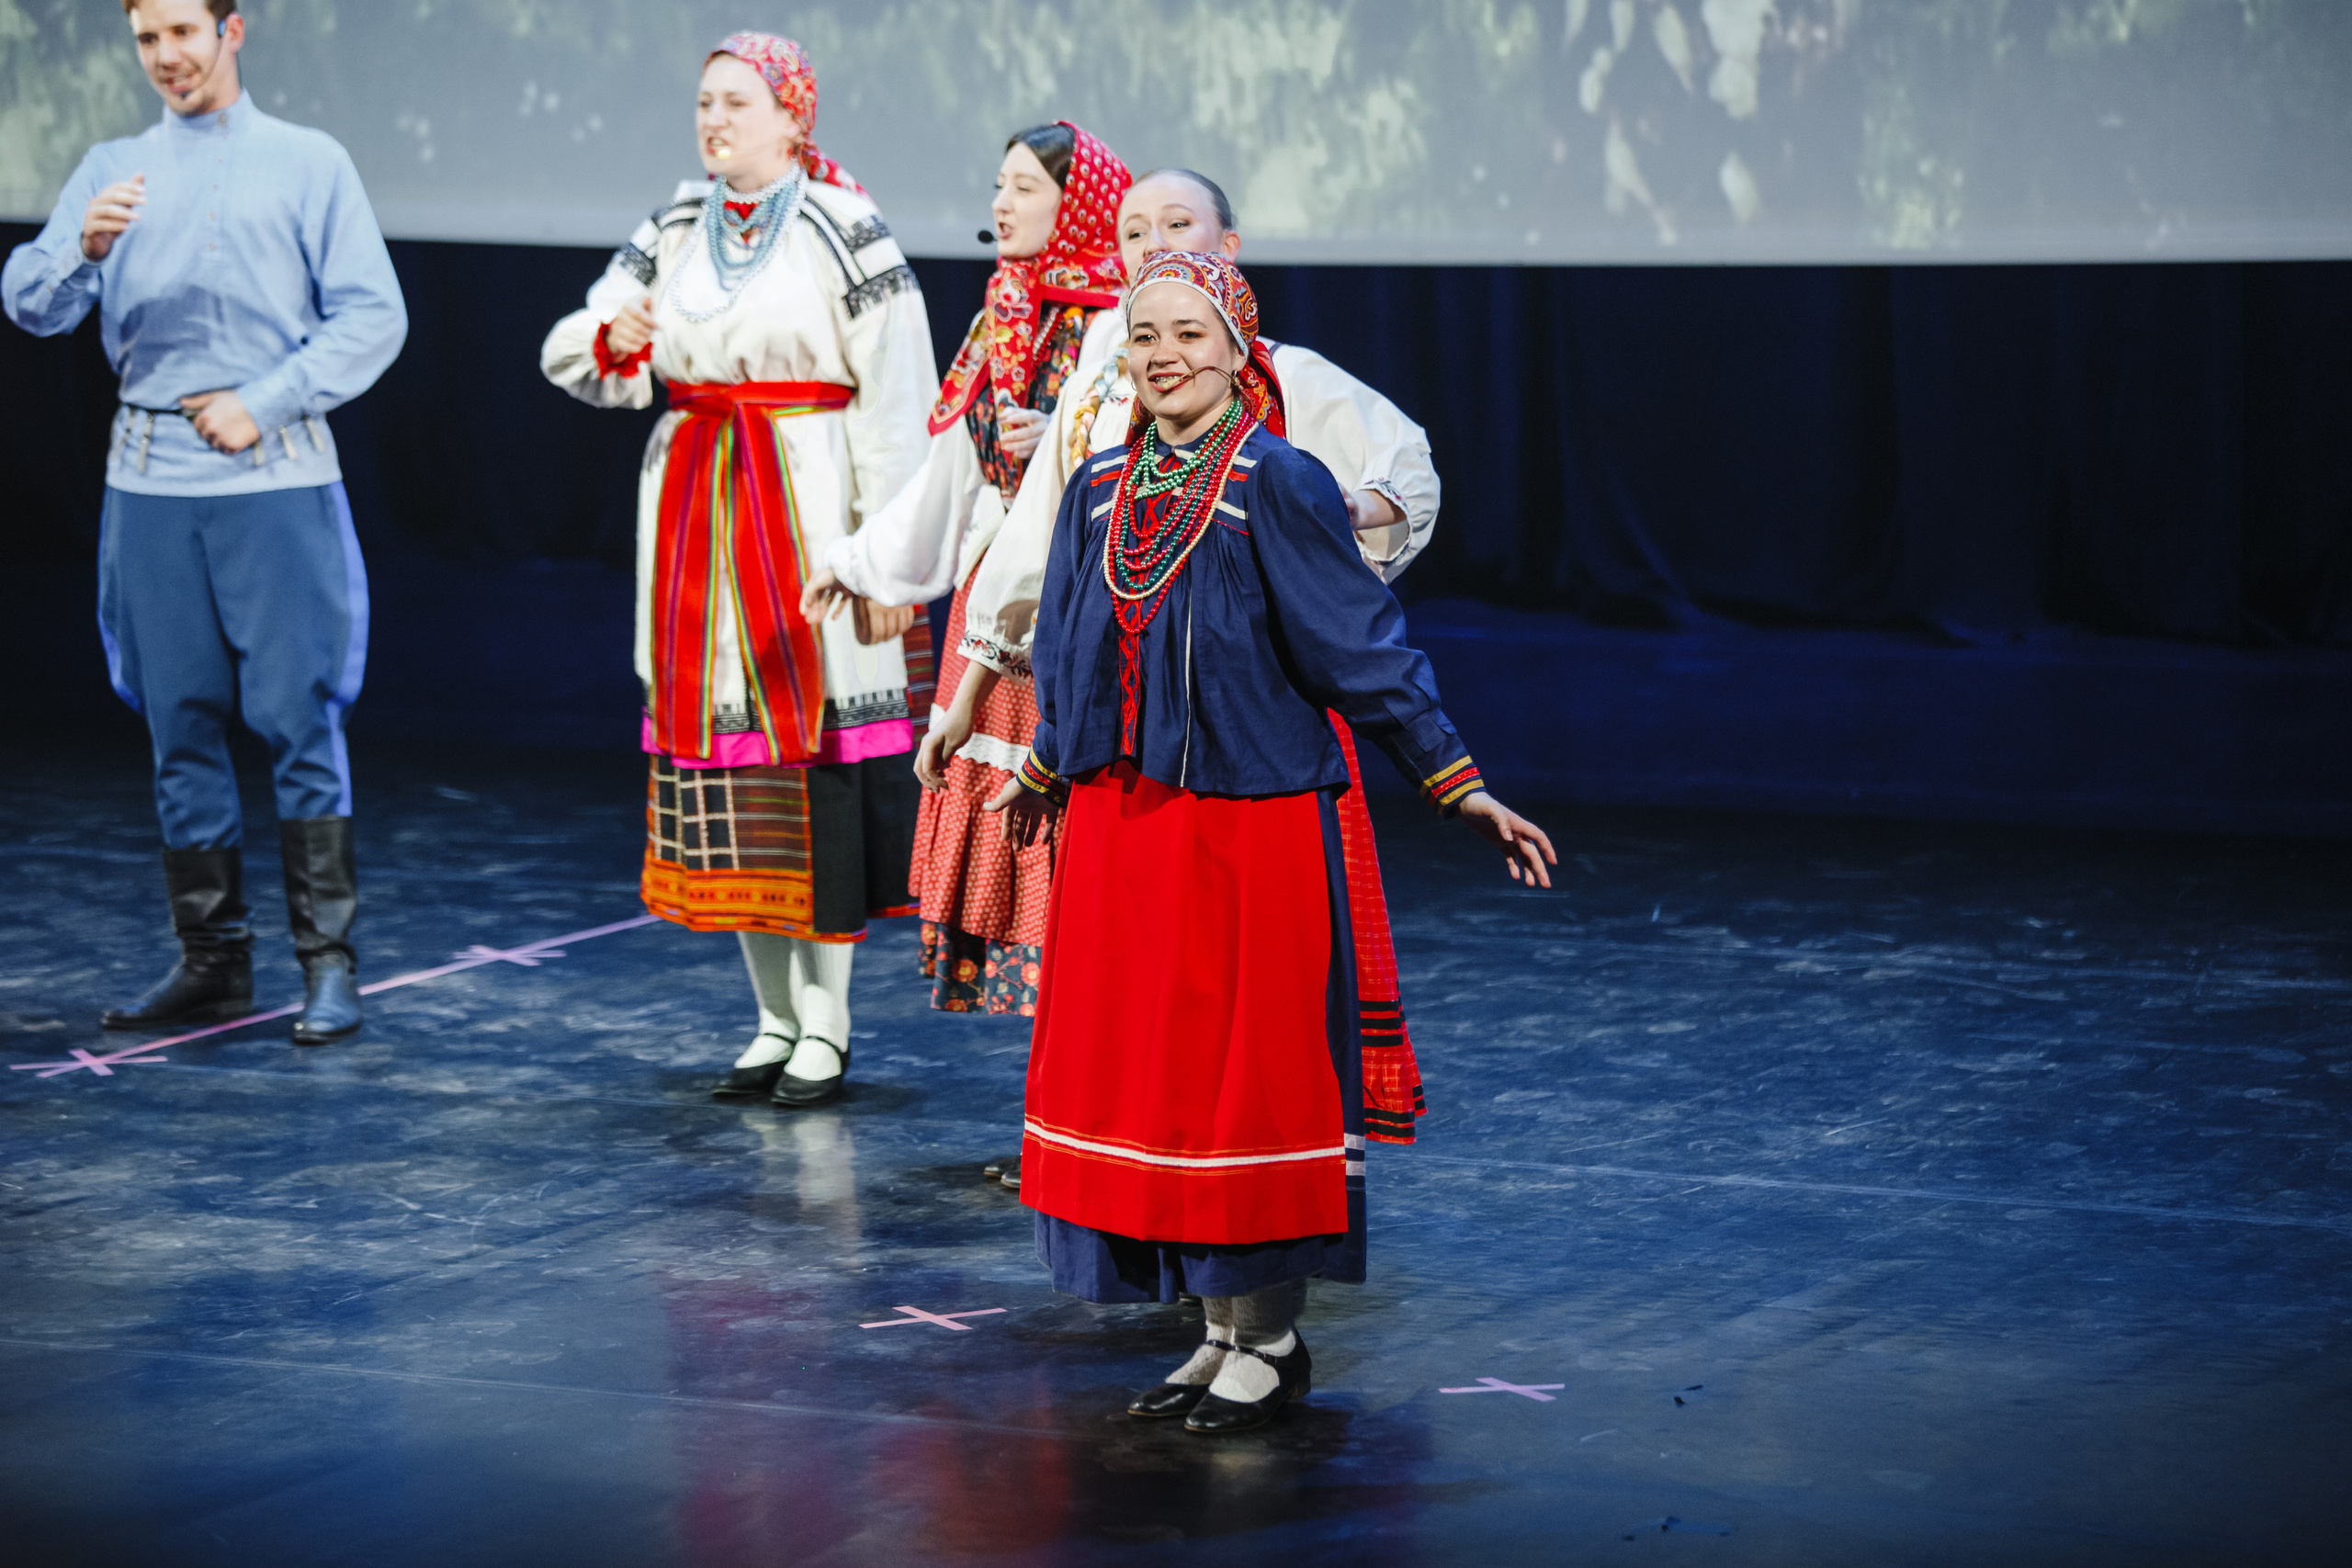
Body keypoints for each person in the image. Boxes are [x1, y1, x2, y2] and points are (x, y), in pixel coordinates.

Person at [988, 251, 1555, 1433]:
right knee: (1154, 1084)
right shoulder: (1098, 487)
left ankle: (1271, 1339)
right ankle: (1216, 1331)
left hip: (1246, 826)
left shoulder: (1277, 481)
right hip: (1124, 826)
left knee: (1242, 1082)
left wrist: (1455, 783)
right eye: (1145, 336)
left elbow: (1359, 645)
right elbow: (1072, 651)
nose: (1164, 357)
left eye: (1188, 334)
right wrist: (1043, 771)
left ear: (1237, 346)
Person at [950, 166, 1446, 1188]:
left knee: (1250, 980)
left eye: (1177, 223)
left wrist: (1331, 521)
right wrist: (974, 693)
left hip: (1251, 729)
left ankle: (1264, 1178)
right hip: (1121, 734)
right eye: (1133, 230)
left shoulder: (1283, 378)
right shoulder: (1104, 383)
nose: (1152, 243)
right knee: (1130, 963)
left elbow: (1405, 471)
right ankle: (1130, 1156)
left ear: (1229, 246)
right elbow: (1039, 548)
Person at [2, 0, 407, 1045]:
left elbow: (375, 313)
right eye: (148, 38)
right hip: (149, 482)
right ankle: (212, 962)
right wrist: (80, 248)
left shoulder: (308, 161)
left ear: (233, 30)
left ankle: (328, 966)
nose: (167, 56)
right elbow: (30, 302)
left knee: (297, 716)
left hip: (272, 474)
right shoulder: (111, 168)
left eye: (184, 31)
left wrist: (264, 400)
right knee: (176, 719)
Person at [539, 32, 933, 1108]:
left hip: (806, 505)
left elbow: (899, 399)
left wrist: (885, 561)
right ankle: (771, 1019)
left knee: (810, 761)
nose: (713, 120)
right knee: (730, 760)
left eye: (737, 103)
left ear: (793, 118)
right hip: (695, 512)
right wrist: (615, 332)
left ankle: (828, 1022)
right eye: (704, 102)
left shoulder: (843, 226)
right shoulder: (674, 224)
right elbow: (573, 351)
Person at [797, 123, 1130, 1037]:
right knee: (1012, 829)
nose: (1001, 204)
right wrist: (857, 564)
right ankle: (1052, 1080)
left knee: (1079, 820)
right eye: (998, 185)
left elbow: (1152, 445)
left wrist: (1069, 438)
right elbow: (949, 475)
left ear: (1079, 204)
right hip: (997, 600)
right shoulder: (1002, 315)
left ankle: (1100, 1066)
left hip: (1084, 592)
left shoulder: (1124, 321)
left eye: (1024, 187)